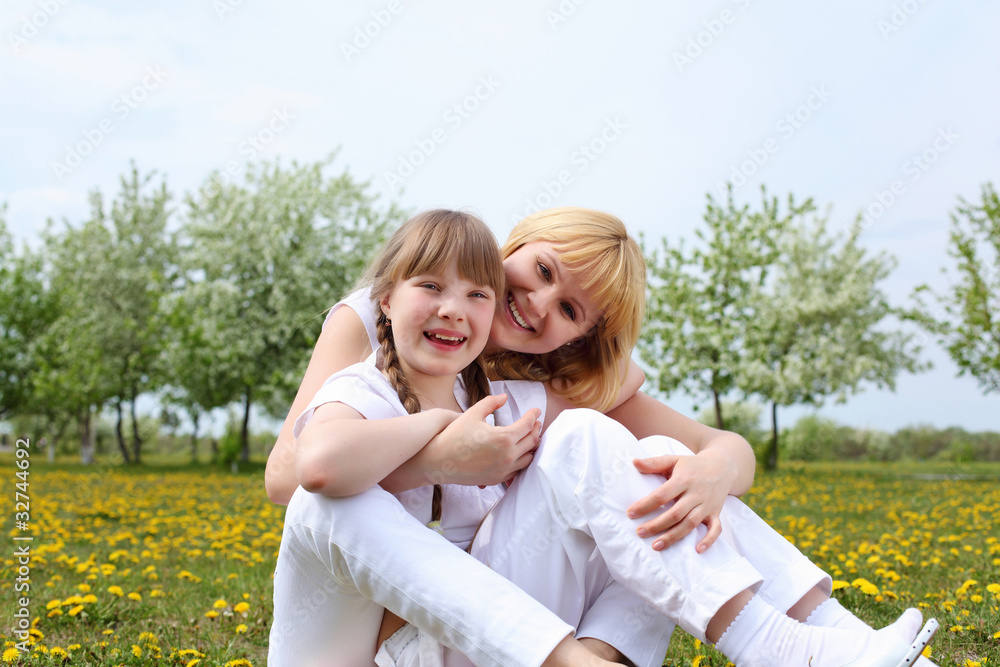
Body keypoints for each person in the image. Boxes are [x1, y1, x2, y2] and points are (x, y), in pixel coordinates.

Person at [268, 209, 938, 667]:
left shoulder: (525, 384)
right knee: (590, 446)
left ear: (576, 338)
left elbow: (718, 447)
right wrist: (438, 453)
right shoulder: (382, 326)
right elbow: (295, 478)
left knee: (658, 469)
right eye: (541, 269)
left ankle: (830, 640)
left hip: (480, 611)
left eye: (567, 310)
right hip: (385, 619)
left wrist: (710, 472)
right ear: (513, 247)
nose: (534, 302)